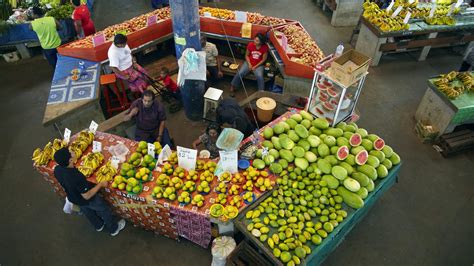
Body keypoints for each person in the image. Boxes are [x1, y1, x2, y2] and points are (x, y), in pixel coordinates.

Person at [53, 148, 126, 236]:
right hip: (88, 199)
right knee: (103, 210)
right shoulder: (76, 177)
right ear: (71, 160)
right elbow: (87, 196)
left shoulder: (57, 169)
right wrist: (100, 184)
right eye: (70, 152)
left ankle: (98, 225)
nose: (73, 151)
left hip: (74, 197)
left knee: (87, 211)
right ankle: (113, 229)